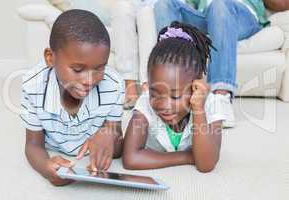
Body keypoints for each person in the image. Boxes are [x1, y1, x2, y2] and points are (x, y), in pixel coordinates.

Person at [20, 9, 124, 186]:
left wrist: (108, 134)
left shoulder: (113, 85)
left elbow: (118, 145)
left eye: (99, 68)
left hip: (92, 146)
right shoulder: (33, 87)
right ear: (50, 58)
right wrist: (46, 167)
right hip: (53, 147)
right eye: (78, 70)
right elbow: (33, 145)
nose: (89, 80)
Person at [122, 21, 226, 172]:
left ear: (196, 86)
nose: (164, 105)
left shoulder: (211, 104)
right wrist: (186, 157)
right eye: (154, 94)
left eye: (175, 96)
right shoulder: (145, 103)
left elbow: (206, 164)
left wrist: (198, 109)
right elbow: (131, 159)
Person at [153, 0, 271, 128]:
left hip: (242, 16)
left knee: (219, 4)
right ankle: (173, 90)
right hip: (208, 16)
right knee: (164, 4)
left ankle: (221, 96)